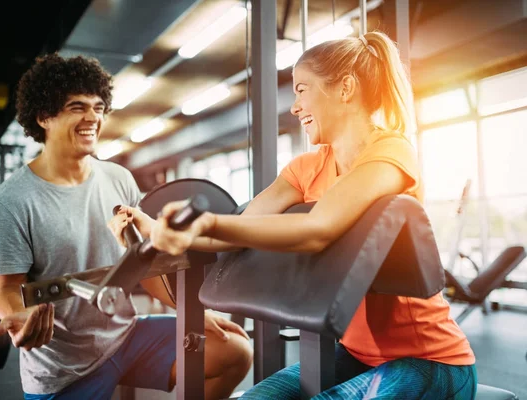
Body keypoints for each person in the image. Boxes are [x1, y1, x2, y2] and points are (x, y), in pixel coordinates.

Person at [115, 31, 478, 399]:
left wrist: (207, 223)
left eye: (302, 89)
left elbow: (317, 229)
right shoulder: (306, 168)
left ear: (345, 88)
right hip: (357, 355)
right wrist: (161, 231)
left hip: (432, 361)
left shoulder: (391, 153)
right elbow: (238, 230)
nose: (294, 106)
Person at [0, 53, 252, 400]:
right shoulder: (9, 201)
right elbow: (5, 290)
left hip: (126, 337)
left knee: (233, 351)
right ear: (44, 117)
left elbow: (142, 262)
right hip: (65, 365)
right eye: (77, 107)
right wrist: (21, 318)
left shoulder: (118, 178)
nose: (93, 117)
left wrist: (189, 312)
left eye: (98, 106)